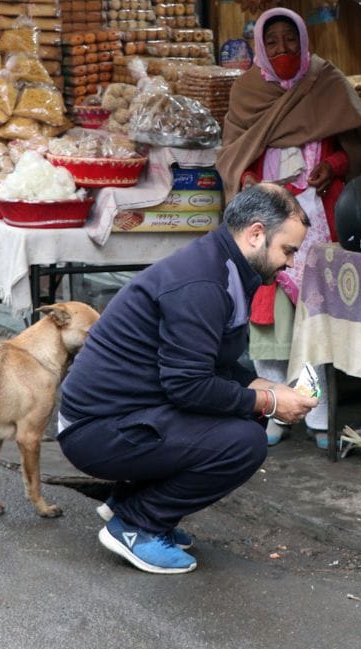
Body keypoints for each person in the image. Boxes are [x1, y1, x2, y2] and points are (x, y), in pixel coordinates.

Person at [57, 184, 319, 574]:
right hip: (97, 430)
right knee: (245, 442)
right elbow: (189, 386)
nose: (289, 263)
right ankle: (136, 524)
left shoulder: (221, 266)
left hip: (122, 415)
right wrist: (270, 401)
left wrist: (264, 388)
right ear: (256, 234)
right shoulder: (203, 283)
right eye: (288, 250)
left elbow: (209, 363)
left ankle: (129, 502)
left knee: (248, 416)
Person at [217, 7, 361, 449]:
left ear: (304, 41)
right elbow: (235, 154)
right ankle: (273, 414)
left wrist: (331, 165)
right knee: (267, 326)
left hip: (316, 221)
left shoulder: (326, 84)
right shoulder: (247, 91)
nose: (282, 49)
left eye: (290, 39)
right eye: (273, 42)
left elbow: (353, 147)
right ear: (259, 48)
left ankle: (318, 416)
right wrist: (249, 182)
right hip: (263, 220)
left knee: (311, 324)